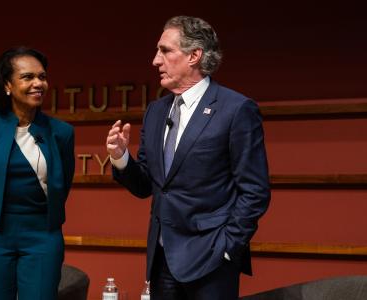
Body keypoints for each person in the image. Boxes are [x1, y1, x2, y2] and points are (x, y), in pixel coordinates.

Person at [106, 16, 270, 300]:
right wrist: (121, 157)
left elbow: (255, 191)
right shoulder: (156, 112)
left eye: (165, 51)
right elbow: (147, 185)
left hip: (212, 259)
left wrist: (229, 248)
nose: (155, 60)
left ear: (194, 55)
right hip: (162, 258)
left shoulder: (236, 109)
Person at [0, 47, 75, 300]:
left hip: (42, 235)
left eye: (42, 77)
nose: (38, 83)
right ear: (8, 85)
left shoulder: (62, 133)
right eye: (28, 77)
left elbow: (62, 186)